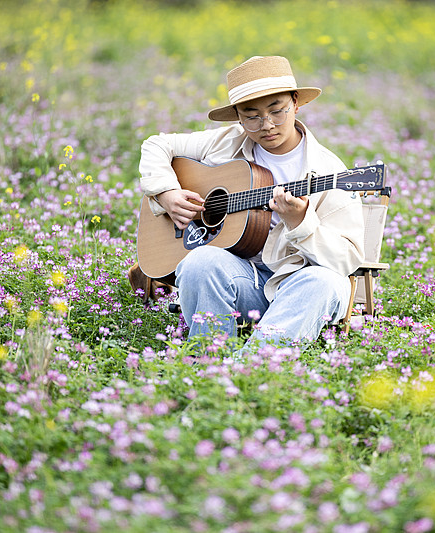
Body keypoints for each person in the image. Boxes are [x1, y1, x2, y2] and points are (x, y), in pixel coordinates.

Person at [133, 55, 365, 349]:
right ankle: (211, 357)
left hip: (297, 287)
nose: (266, 125)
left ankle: (246, 370)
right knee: (199, 262)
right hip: (242, 281)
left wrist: (301, 223)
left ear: (296, 103)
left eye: (277, 111)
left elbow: (347, 260)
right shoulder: (226, 141)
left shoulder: (330, 171)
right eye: (251, 115)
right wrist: (167, 193)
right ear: (238, 117)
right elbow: (156, 144)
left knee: (325, 283)